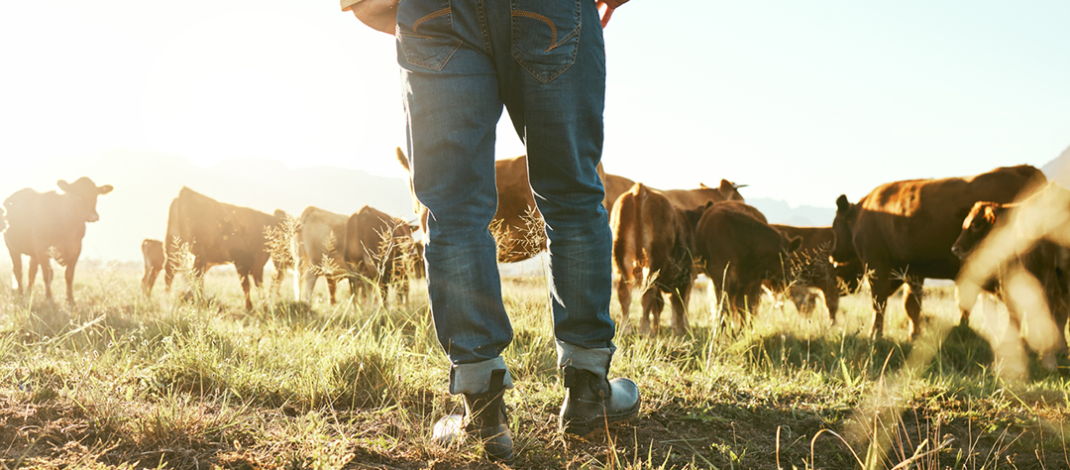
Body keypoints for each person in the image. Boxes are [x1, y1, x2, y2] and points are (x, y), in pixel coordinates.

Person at [342, 0, 638, 462]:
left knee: (453, 210)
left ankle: (483, 414)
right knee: (572, 196)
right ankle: (587, 391)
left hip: (434, 11)